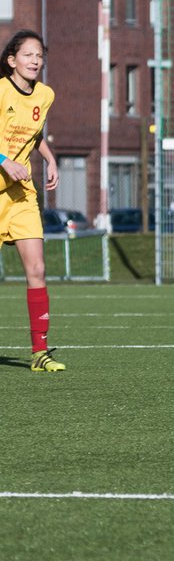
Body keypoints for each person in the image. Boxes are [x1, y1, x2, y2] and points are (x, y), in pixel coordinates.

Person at [0, 31, 62, 372]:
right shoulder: (0, 91)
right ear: (12, 60)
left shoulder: (45, 94)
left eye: (39, 54)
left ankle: (40, 353)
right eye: (27, 54)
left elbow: (33, 132)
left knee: (37, 269)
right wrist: (2, 159)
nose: (35, 60)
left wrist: (50, 158)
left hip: (22, 194)